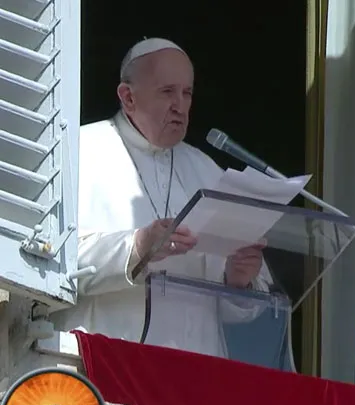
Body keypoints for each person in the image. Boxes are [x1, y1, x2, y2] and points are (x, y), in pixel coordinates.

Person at [51, 38, 273, 358]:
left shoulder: (207, 170)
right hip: (107, 364)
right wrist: (138, 246)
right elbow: (52, 266)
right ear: (128, 97)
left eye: (187, 93)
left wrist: (239, 281)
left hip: (196, 372)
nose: (180, 106)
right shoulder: (79, 151)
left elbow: (244, 311)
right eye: (167, 92)